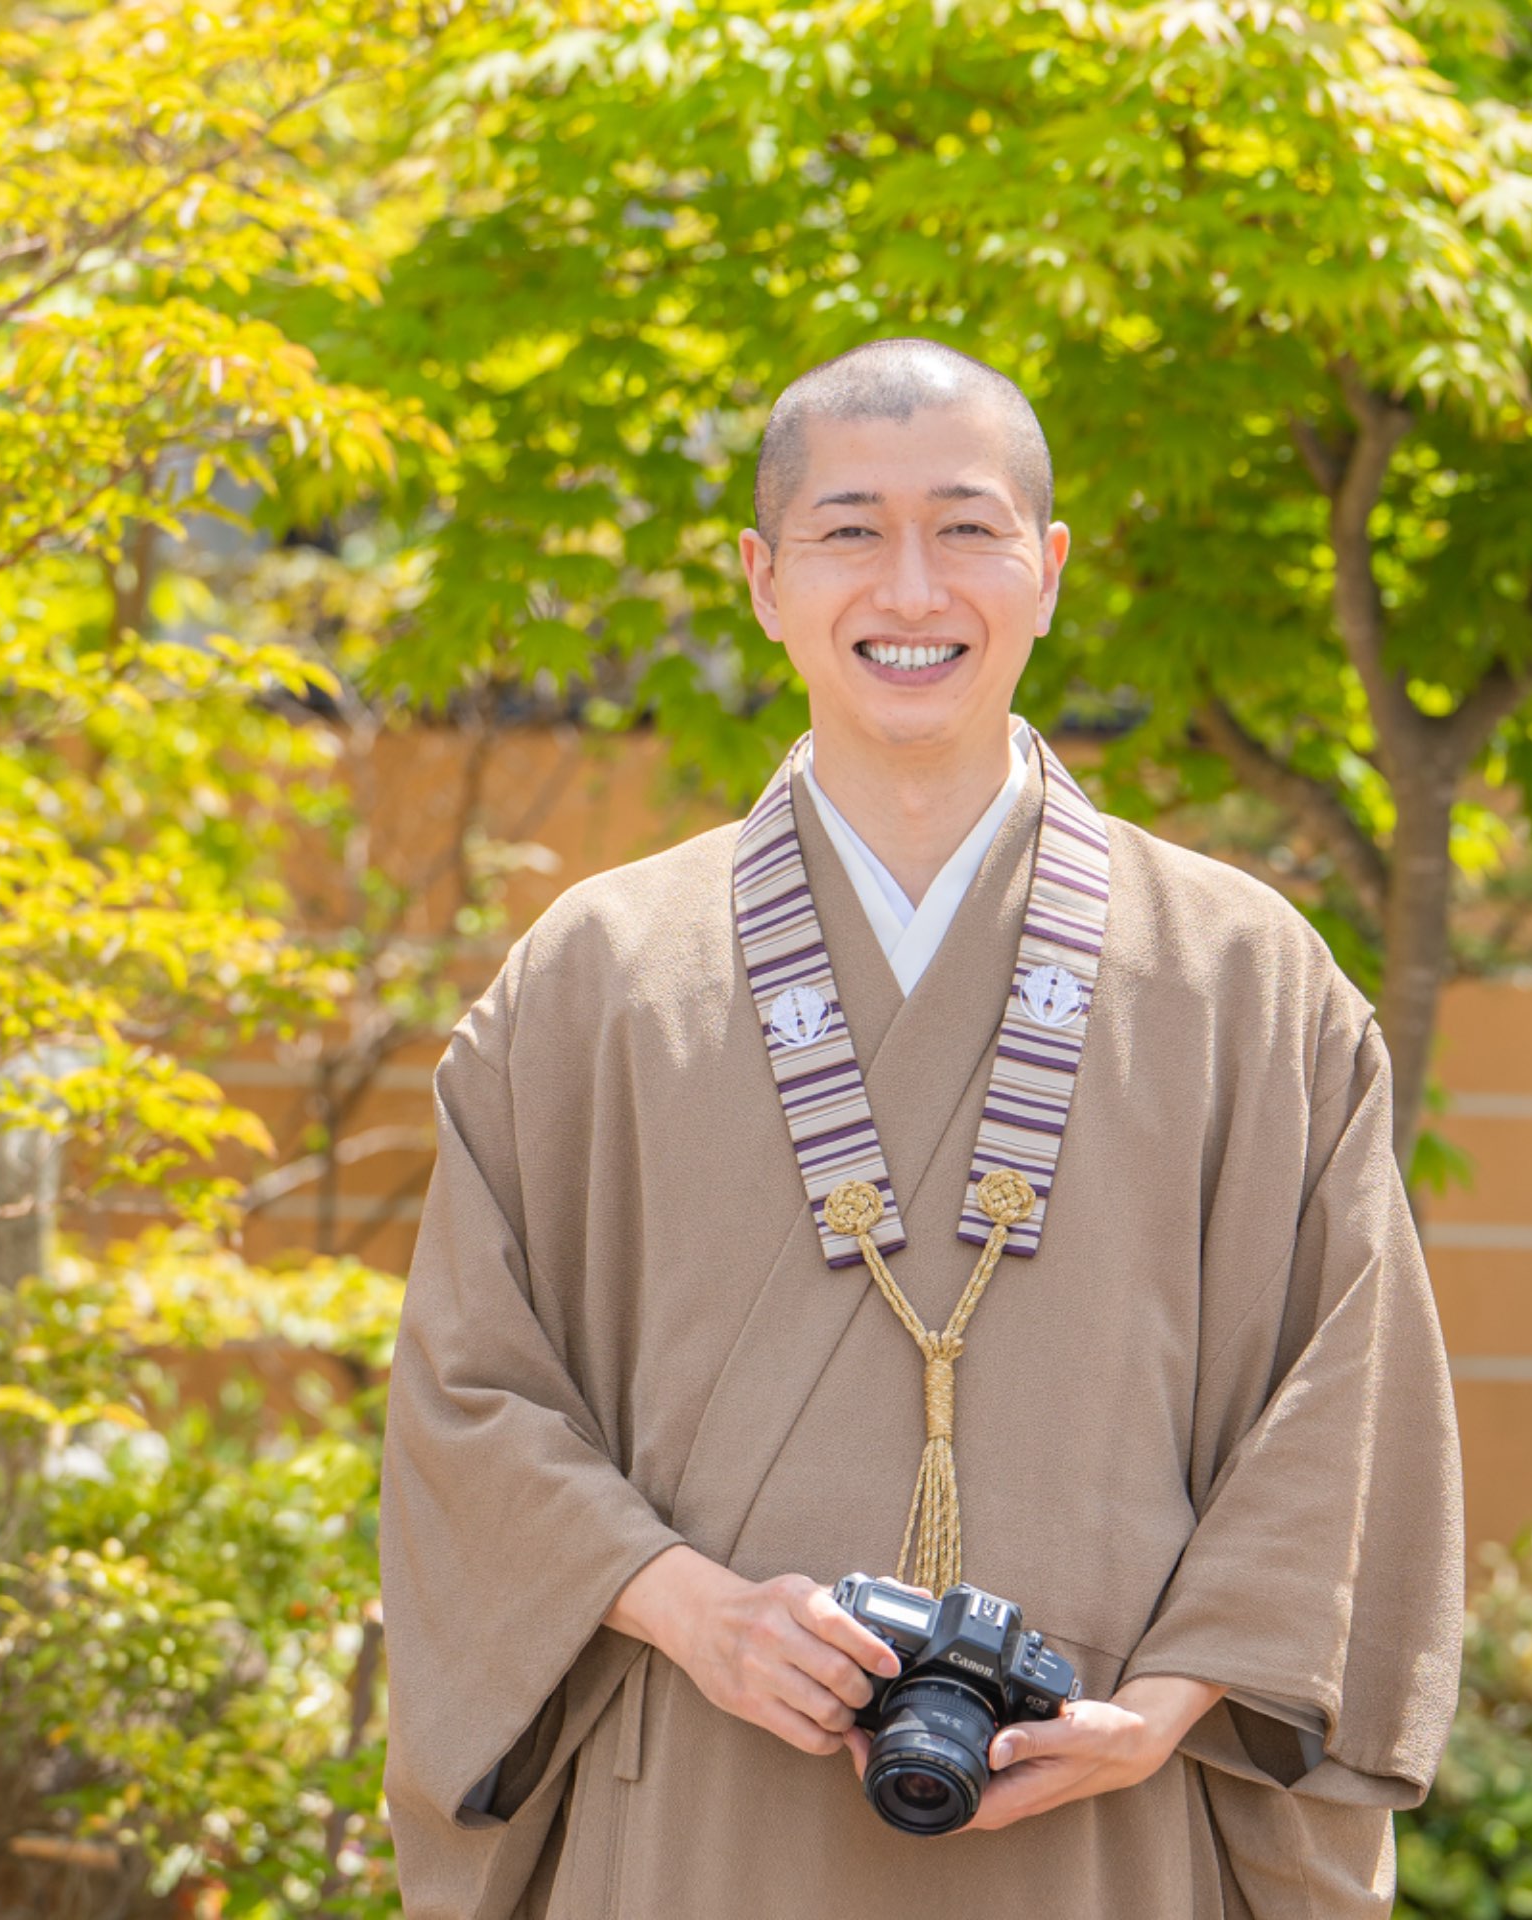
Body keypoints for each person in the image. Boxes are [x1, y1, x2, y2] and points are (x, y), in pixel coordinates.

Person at [378, 337, 1464, 1920]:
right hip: (699, 1807)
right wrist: (695, 1615)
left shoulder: (1244, 975)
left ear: (1048, 569)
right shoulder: (602, 975)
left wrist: (1162, 1711)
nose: (910, 587)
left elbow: (1347, 1406)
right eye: (847, 532)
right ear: (760, 578)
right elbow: (467, 1393)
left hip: (1101, 1821)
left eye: (966, 528)